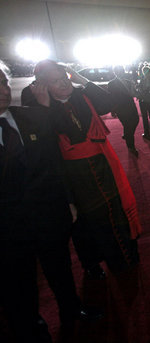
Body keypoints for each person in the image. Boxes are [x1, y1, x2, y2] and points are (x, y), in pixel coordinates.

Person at [0, 62, 102, 342]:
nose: (3, 91)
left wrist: (68, 200)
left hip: (47, 212)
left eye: (4, 83)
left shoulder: (29, 116)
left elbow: (54, 161)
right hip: (8, 227)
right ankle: (30, 326)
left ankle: (72, 309)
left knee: (60, 269)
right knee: (18, 283)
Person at [29, 60, 141, 278]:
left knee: (113, 211)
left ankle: (125, 257)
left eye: (64, 78)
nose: (63, 84)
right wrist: (43, 107)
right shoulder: (38, 107)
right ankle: (92, 264)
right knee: (84, 223)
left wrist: (81, 79)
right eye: (56, 81)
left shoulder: (82, 94)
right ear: (43, 86)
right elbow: (43, 145)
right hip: (70, 175)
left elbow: (109, 102)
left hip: (100, 165)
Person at [108, 65, 140, 156]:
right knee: (128, 126)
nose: (121, 72)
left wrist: (137, 91)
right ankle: (131, 146)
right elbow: (111, 97)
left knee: (135, 121)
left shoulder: (128, 81)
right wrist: (113, 109)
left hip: (131, 106)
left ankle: (127, 135)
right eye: (118, 71)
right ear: (115, 72)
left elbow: (132, 94)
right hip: (121, 108)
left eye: (122, 70)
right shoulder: (112, 83)